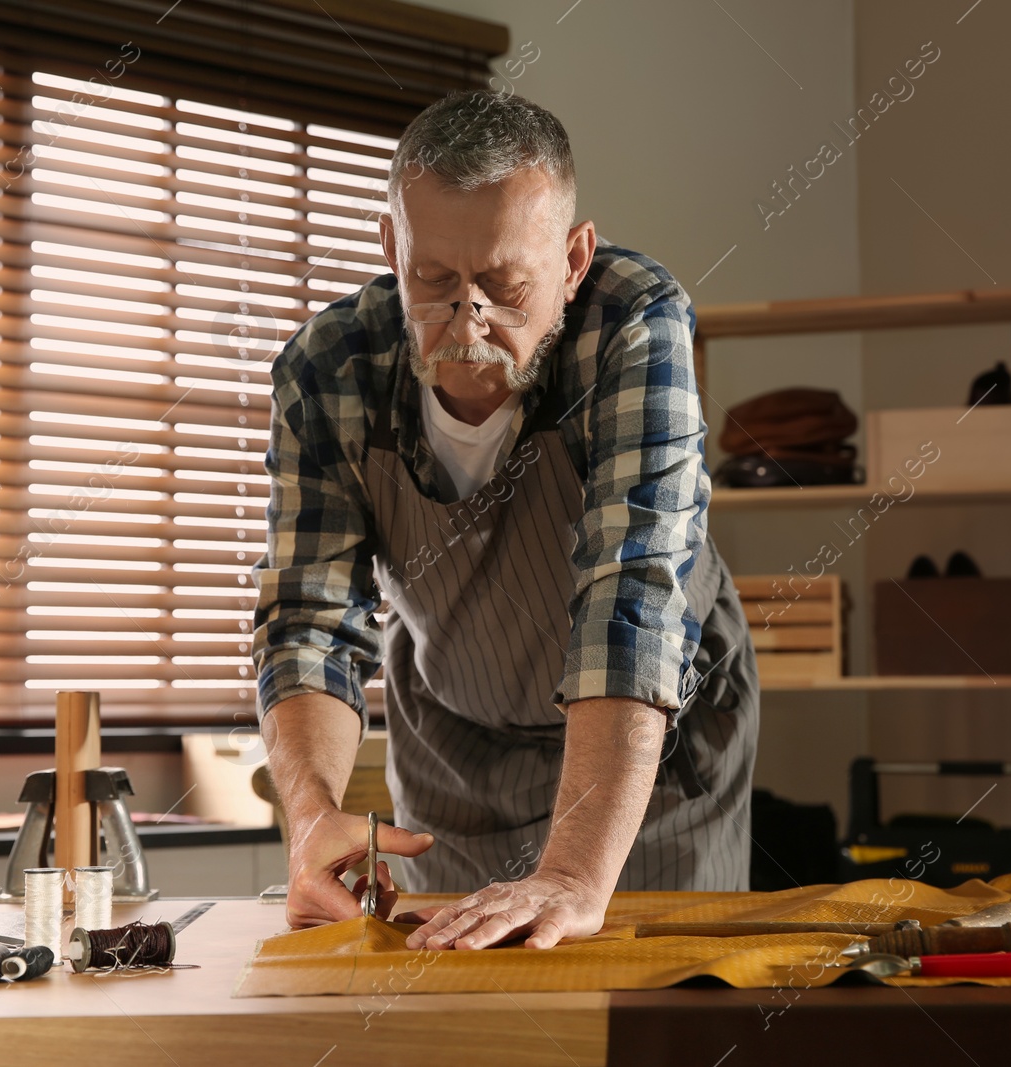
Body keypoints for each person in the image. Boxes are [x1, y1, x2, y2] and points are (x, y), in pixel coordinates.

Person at [251, 89, 758, 952]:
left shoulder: (632, 322)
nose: (467, 321)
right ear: (390, 247)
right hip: (456, 738)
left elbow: (630, 598)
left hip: (655, 757)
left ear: (572, 257)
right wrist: (311, 819)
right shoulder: (329, 367)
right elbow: (310, 621)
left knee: (649, 1008)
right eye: (435, 282)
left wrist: (571, 872)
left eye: (504, 285)